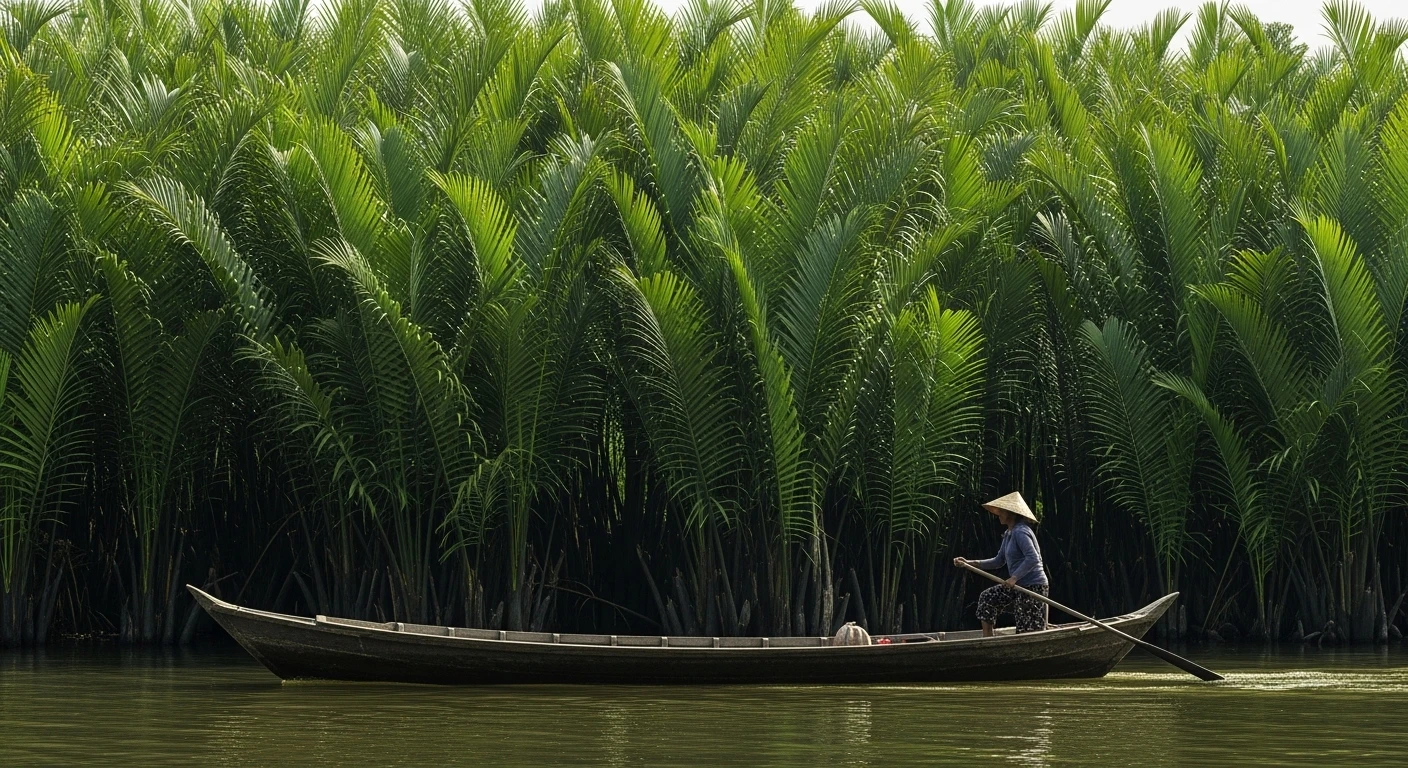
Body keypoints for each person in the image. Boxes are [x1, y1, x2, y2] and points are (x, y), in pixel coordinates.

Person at [952, 492, 1049, 636]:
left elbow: (1033, 558)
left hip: (1033, 587)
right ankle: (988, 642)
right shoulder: (1009, 534)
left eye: (1001, 511)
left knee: (1027, 629)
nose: (998, 514)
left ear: (1011, 513)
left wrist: (1014, 577)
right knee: (987, 598)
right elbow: (998, 561)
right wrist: (969, 563)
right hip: (1017, 586)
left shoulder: (1021, 532)